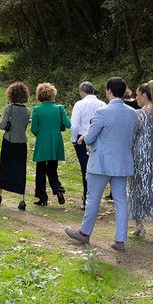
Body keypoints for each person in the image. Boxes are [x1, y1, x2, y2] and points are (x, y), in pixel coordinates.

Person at [65, 77, 139, 251]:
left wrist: (84, 138)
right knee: (121, 201)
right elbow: (132, 137)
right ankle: (120, 240)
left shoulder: (102, 112)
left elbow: (90, 137)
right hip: (122, 163)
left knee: (93, 199)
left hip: (101, 163)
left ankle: (84, 233)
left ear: (109, 91)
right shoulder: (132, 113)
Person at [0, 82, 31, 210]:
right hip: (22, 143)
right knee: (20, 170)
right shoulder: (27, 111)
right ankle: (22, 200)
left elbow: (2, 125)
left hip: (9, 141)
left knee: (5, 168)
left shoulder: (9, 108)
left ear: (11, 94)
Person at [31, 83, 70, 206]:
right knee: (52, 168)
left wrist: (40, 134)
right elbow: (68, 124)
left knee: (40, 170)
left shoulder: (37, 110)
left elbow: (33, 129)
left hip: (43, 141)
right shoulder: (59, 108)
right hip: (55, 141)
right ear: (53, 94)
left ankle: (42, 197)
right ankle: (58, 189)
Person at [70, 82, 106, 208]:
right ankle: (94, 197)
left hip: (82, 138)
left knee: (85, 168)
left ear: (82, 91)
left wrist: (74, 139)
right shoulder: (102, 104)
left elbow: (74, 125)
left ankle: (87, 198)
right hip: (98, 138)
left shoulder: (80, 104)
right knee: (97, 169)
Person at [129, 81, 153, 237]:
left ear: (144, 96)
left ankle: (140, 226)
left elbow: (131, 135)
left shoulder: (140, 114)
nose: (136, 99)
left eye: (137, 96)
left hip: (141, 155)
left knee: (137, 188)